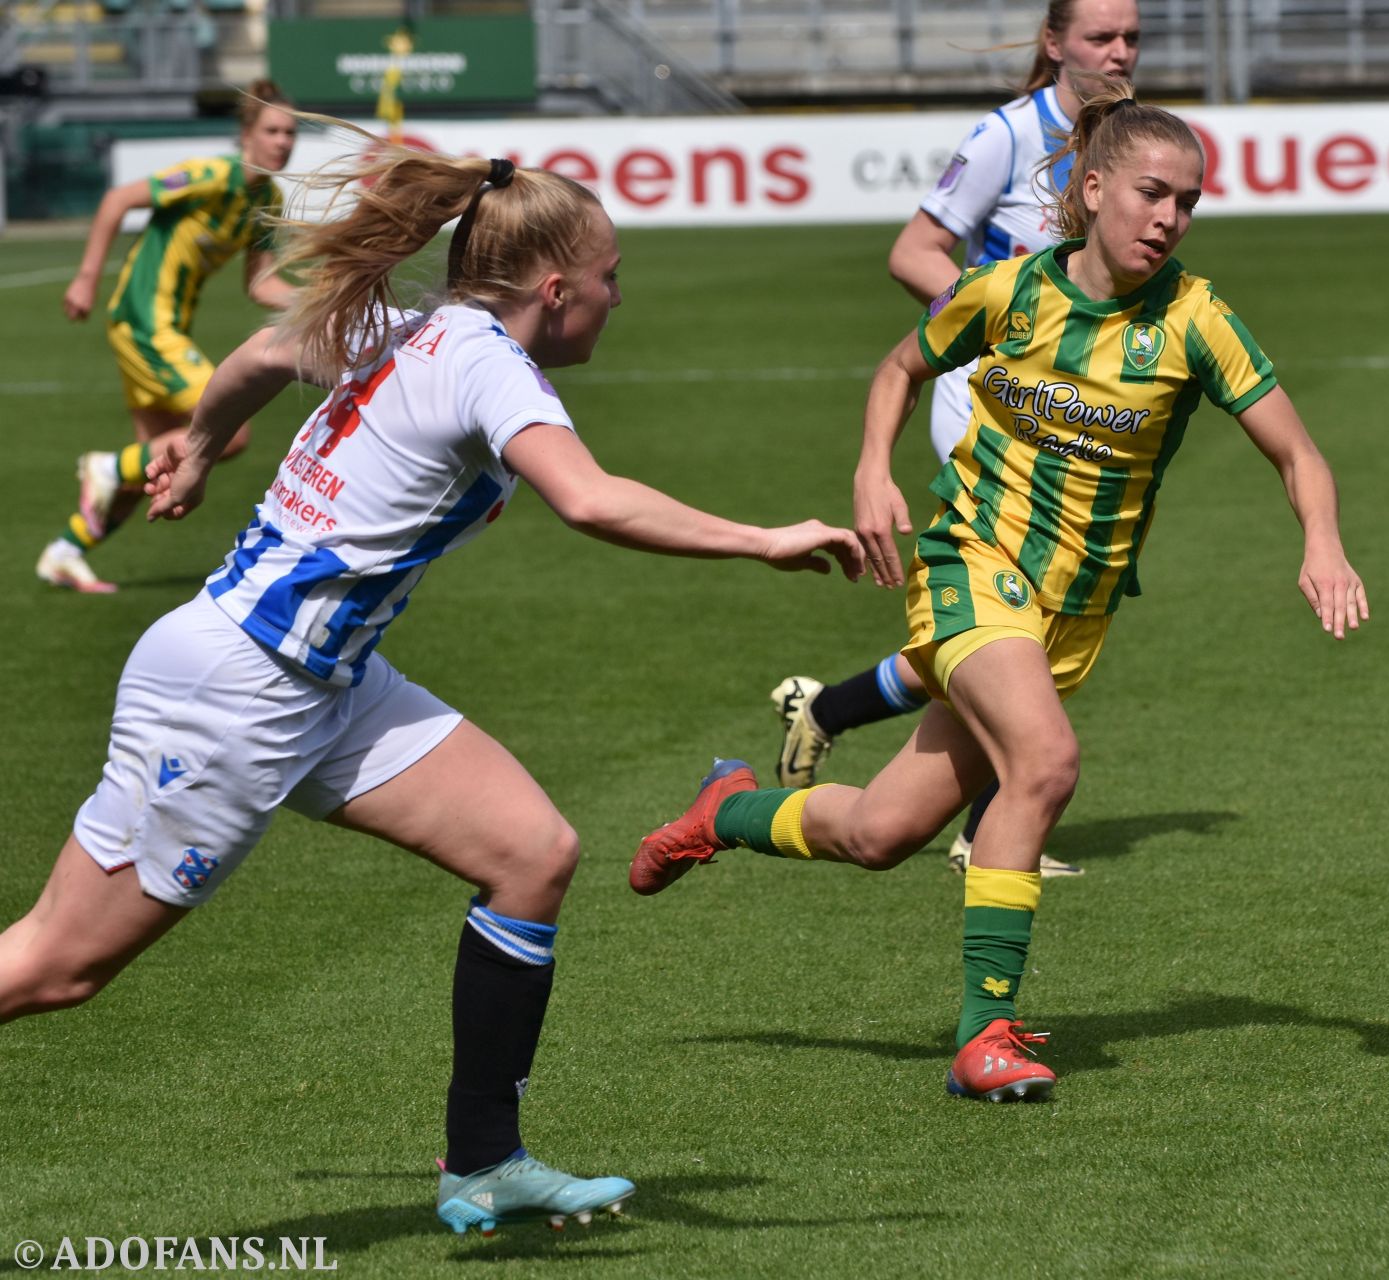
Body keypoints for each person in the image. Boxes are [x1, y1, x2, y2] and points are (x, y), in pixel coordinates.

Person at [0, 135, 862, 1232]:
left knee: (531, 853)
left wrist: (200, 442)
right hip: (235, 692)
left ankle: (485, 1160)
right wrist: (762, 538)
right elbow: (590, 501)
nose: (614, 299)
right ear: (557, 289)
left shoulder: (410, 327)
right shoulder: (486, 361)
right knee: (56, 965)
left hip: (325, 681)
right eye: (610, 280)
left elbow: (263, 353)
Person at [634, 82, 1367, 1105]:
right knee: (1047, 761)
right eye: (1154, 192)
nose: (1171, 218)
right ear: (1093, 186)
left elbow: (1300, 452)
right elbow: (899, 368)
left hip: (1069, 618)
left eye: (1189, 202)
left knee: (882, 834)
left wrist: (1322, 542)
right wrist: (871, 469)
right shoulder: (1008, 292)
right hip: (970, 569)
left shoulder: (1198, 320)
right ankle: (986, 1034)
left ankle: (728, 809)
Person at [769, 0, 1141, 878]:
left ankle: (828, 712)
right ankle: (988, 825)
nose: (1120, 51)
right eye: (1101, 36)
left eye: (1132, 35)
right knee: (1017, 610)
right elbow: (917, 251)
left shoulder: (1129, 136)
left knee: (1012, 627)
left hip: (1075, 412)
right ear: (1054, 43)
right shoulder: (1009, 135)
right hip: (988, 399)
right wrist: (1001, 321)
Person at [40, 80, 301, 594]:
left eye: (291, 131)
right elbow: (118, 199)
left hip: (167, 328)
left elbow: (260, 281)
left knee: (154, 466)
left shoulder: (267, 197)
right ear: (246, 134)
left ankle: (64, 552)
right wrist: (87, 277)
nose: (283, 141)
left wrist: (318, 300)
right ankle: (104, 466)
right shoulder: (209, 176)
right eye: (272, 130)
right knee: (228, 427)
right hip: (144, 320)